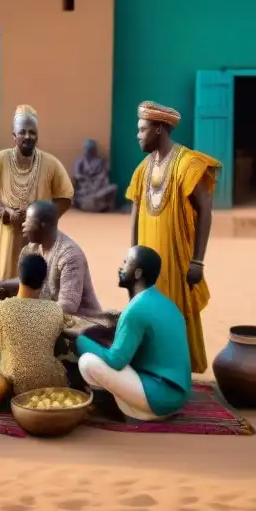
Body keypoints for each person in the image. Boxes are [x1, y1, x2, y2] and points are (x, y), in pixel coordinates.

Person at [128, 101, 219, 374]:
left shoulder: (188, 164)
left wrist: (198, 261)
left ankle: (176, 374)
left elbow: (205, 210)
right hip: (147, 260)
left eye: (142, 129)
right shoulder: (143, 168)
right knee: (147, 312)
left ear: (159, 128)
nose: (138, 135)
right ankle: (153, 369)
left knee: (175, 314)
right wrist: (133, 255)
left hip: (177, 260)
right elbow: (135, 210)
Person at [73, 245, 192, 421]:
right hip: (177, 397)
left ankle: (121, 408)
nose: (121, 268)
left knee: (87, 362)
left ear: (137, 274)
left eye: (126, 262)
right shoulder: (166, 303)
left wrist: (80, 338)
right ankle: (131, 406)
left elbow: (116, 360)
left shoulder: (136, 309)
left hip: (158, 398)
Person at [0, 105, 74, 281]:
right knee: (2, 286)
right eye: (22, 132)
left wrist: (40, 216)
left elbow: (65, 198)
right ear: (13, 135)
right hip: (6, 238)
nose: (28, 136)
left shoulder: (51, 164)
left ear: (37, 135)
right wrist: (3, 211)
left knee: (37, 285)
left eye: (32, 132)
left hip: (38, 238)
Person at [0, 200, 103, 321]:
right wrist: (3, 286)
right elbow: (28, 283)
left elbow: (68, 306)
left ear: (44, 225)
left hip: (82, 325)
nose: (23, 224)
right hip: (50, 321)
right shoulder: (31, 249)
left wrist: (28, 315)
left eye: (28, 220)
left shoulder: (69, 255)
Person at [0, 253, 67, 395]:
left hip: (12, 385)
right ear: (44, 280)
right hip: (51, 383)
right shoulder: (55, 309)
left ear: (19, 276)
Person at [73, 140, 119, 213]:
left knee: (113, 188)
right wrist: (85, 179)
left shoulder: (100, 161)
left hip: (98, 186)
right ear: (86, 150)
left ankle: (104, 205)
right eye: (89, 149)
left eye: (92, 149)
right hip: (85, 187)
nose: (91, 151)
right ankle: (89, 201)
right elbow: (77, 174)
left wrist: (97, 179)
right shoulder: (80, 161)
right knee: (89, 198)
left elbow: (104, 173)